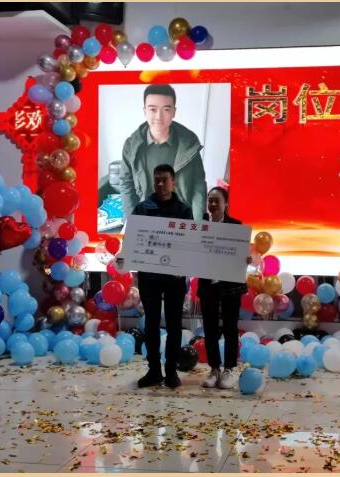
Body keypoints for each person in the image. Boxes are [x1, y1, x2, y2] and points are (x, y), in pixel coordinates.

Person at [132, 164, 193, 389]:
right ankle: (154, 370)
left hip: (174, 278)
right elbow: (134, 240)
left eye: (164, 179)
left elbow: (190, 243)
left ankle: (171, 371)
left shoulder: (184, 211)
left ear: (173, 182)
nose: (160, 184)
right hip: (149, 277)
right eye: (156, 179)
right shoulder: (142, 209)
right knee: (151, 324)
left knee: (174, 325)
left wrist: (184, 263)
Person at [120, 84, 207, 221]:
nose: (159, 117)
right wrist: (131, 221)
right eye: (153, 109)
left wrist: (198, 222)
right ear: (145, 111)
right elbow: (126, 183)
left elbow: (198, 183)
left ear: (174, 112)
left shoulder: (189, 142)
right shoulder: (131, 145)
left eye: (166, 109)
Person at [197, 187, 249, 389]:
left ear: (226, 203)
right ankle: (214, 369)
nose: (212, 204)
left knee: (230, 327)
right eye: (210, 200)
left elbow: (242, 254)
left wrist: (245, 258)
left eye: (216, 200)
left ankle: (229, 368)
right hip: (207, 284)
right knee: (209, 328)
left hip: (230, 284)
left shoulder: (236, 226)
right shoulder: (200, 225)